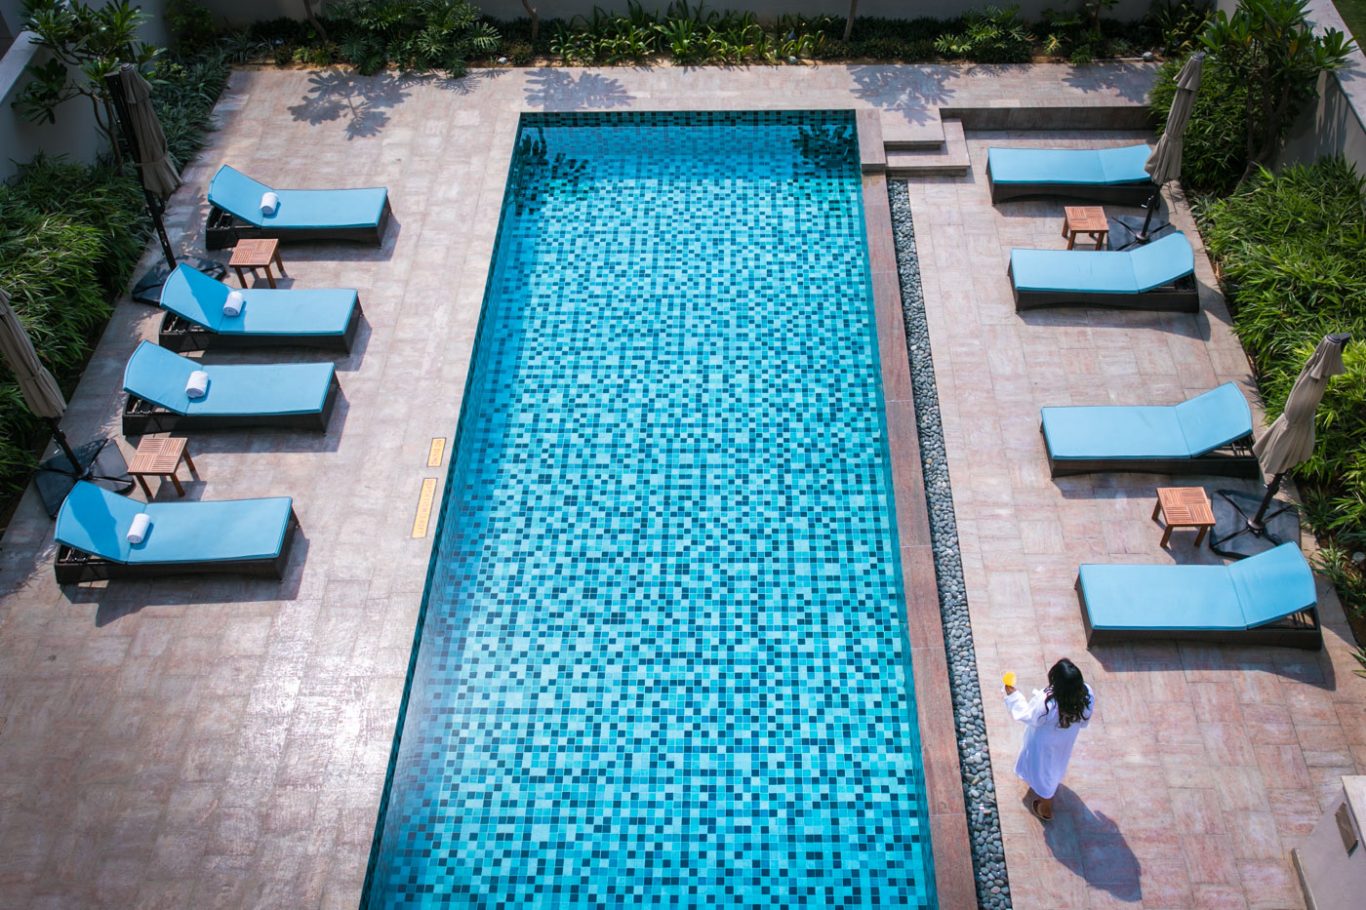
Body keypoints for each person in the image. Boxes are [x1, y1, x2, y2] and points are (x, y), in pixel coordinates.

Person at [1003, 658, 1095, 821]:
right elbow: (1084, 722)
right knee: (1056, 764)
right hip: (1065, 739)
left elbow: (1031, 717)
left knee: (1043, 769)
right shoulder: (1086, 695)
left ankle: (1046, 806)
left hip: (1044, 742)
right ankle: (1046, 790)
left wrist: (1013, 696)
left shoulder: (1049, 703)